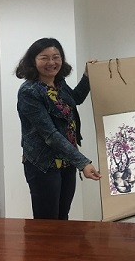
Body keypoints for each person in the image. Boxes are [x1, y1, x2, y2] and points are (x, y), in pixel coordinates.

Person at [16, 38, 101, 220]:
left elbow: (75, 98)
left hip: (67, 161)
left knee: (62, 217)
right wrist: (83, 163)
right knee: (47, 221)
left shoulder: (58, 83)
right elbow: (50, 134)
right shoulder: (29, 91)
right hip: (44, 164)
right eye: (44, 58)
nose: (51, 62)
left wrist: (87, 76)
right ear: (33, 61)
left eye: (56, 57)